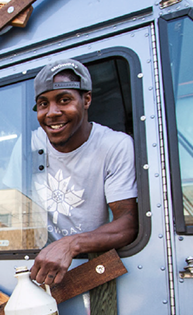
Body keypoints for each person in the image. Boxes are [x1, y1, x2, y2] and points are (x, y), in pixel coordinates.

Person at [25, 59, 138, 286]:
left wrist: (70, 244)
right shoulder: (28, 143)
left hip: (93, 267)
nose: (52, 113)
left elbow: (128, 222)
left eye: (64, 100)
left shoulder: (116, 145)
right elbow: (16, 208)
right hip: (38, 268)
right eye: (43, 104)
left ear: (86, 100)